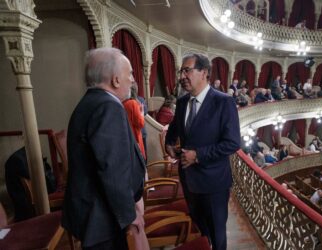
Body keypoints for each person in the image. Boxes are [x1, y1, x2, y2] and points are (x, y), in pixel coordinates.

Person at [62, 48, 146, 250]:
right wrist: (129, 213)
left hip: (94, 213)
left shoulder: (89, 102)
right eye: (130, 74)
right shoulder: (108, 107)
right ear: (116, 80)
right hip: (101, 219)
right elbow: (112, 169)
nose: (133, 80)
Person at [165, 53, 241, 250]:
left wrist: (198, 155)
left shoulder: (224, 102)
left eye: (187, 70)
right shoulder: (182, 102)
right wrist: (169, 144)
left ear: (204, 73)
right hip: (188, 181)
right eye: (181, 71)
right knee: (201, 232)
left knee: (217, 236)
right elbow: (174, 130)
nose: (182, 76)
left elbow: (232, 143)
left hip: (213, 183)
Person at [123, 85, 146, 159]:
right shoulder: (133, 103)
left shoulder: (123, 103)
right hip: (135, 136)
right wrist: (142, 113)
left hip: (127, 136)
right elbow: (140, 123)